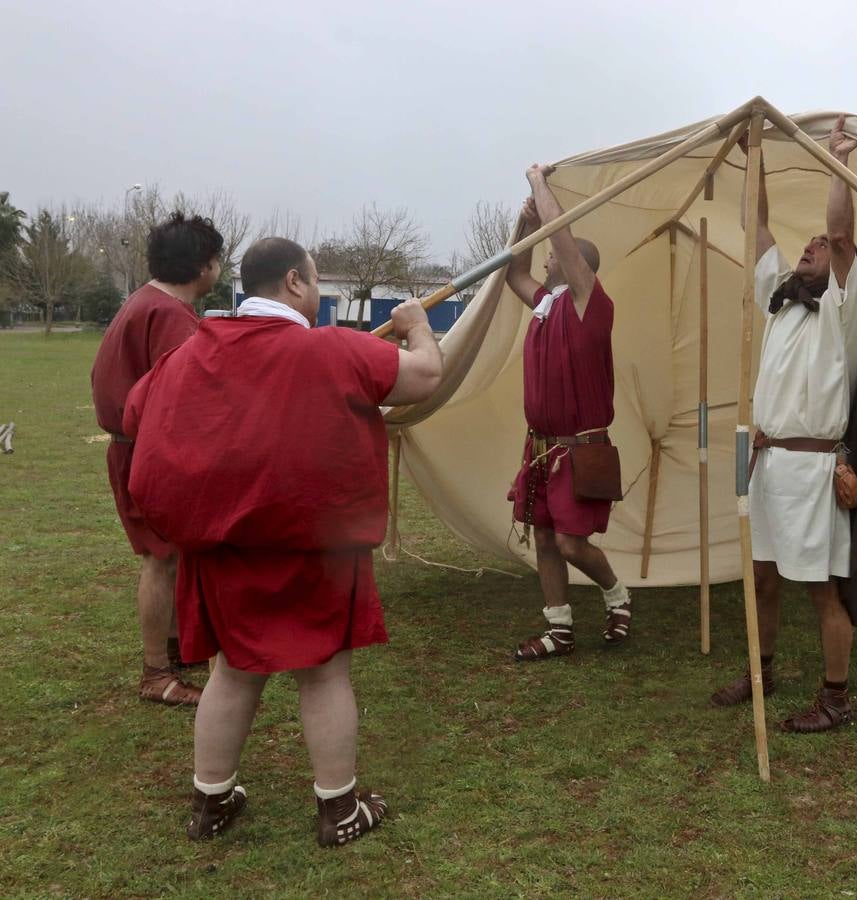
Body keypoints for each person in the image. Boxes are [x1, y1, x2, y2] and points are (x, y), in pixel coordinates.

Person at [123, 237, 442, 845]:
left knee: (232, 674)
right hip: (315, 554)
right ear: (295, 282)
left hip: (224, 552)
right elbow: (426, 375)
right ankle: (340, 808)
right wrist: (416, 324)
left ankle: (212, 802)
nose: (319, 294)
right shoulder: (332, 348)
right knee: (322, 676)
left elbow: (138, 413)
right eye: (317, 281)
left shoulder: (188, 354)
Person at [710, 117, 857, 732]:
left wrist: (837, 163)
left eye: (820, 246)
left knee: (821, 590)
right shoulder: (779, 304)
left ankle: (836, 697)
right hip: (767, 460)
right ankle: (762, 671)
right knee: (761, 576)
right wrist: (757, 161)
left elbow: (840, 229)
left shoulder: (842, 306)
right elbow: (756, 230)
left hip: (811, 469)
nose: (811, 245)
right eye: (806, 244)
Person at [90, 212, 222, 706]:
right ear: (202, 265)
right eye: (215, 260)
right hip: (146, 452)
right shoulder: (169, 314)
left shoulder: (143, 301)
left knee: (168, 555)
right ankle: (156, 675)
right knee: (160, 560)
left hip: (133, 449)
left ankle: (174, 647)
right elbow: (185, 398)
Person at [503, 165, 631, 662]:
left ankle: (618, 597)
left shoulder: (591, 305)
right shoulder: (546, 304)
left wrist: (540, 183)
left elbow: (562, 236)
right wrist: (524, 221)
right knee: (544, 539)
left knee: (572, 544)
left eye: (554, 254)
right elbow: (513, 270)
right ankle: (559, 630)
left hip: (579, 450)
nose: (548, 259)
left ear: (573, 264)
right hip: (541, 446)